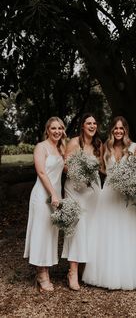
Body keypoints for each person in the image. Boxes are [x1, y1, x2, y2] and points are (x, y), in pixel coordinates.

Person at [83, 116, 136, 290]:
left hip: (127, 196)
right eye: (115, 128)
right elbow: (101, 167)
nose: (118, 131)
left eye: (121, 128)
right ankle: (106, 274)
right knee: (107, 231)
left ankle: (129, 273)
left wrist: (128, 181)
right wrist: (112, 175)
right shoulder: (105, 146)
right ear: (111, 130)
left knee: (128, 231)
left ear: (125, 130)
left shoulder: (134, 147)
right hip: (108, 193)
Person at [24, 116, 66, 292]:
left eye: (60, 128)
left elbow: (64, 170)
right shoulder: (41, 147)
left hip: (55, 196)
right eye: (53, 128)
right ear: (47, 130)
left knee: (51, 233)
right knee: (41, 232)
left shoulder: (60, 149)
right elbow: (41, 172)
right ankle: (41, 274)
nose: (57, 131)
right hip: (42, 195)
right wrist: (54, 194)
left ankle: (46, 268)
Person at [61, 113, 103, 290]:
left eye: (94, 123)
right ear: (82, 126)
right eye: (89, 123)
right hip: (75, 189)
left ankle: (85, 269)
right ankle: (72, 271)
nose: (92, 126)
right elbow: (65, 166)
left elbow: (101, 166)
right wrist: (80, 173)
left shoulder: (98, 145)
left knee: (91, 228)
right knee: (77, 227)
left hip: (92, 190)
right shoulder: (74, 143)